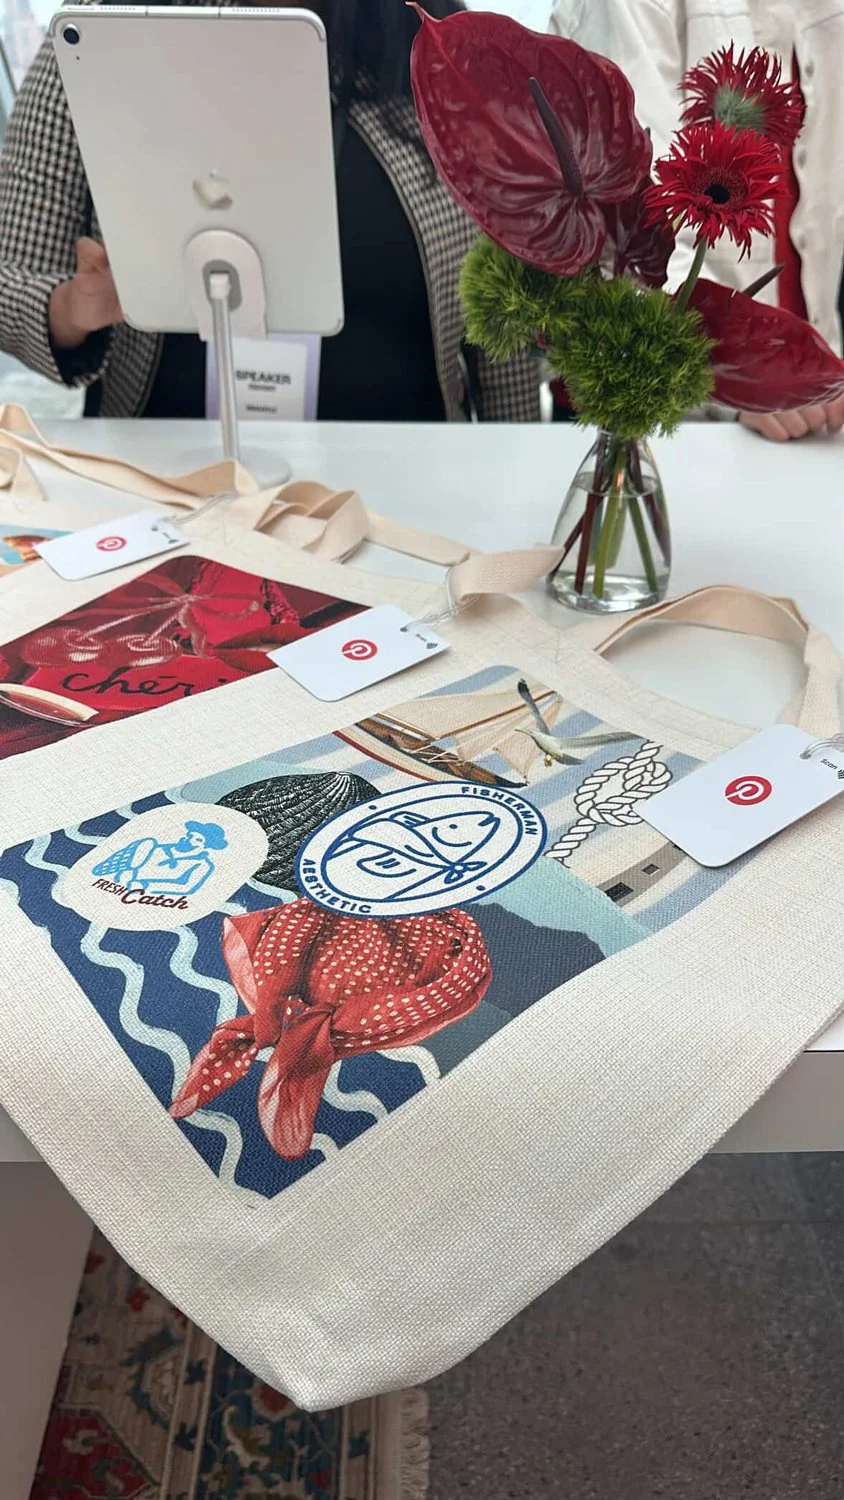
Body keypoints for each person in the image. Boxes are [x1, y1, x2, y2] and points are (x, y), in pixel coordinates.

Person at [0, 0, 540, 423]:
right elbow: (11, 283)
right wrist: (72, 310)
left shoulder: (442, 49)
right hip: (165, 488)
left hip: (415, 487)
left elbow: (504, 331)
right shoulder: (105, 35)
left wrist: (522, 496)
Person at [550, 0, 844, 441]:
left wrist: (817, 368)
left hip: (809, 411)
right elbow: (636, 221)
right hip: (653, 412)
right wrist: (744, 375)